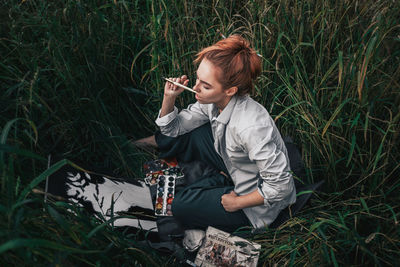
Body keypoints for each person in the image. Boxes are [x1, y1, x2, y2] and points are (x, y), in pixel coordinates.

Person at [151, 34, 296, 232]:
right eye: (197, 79)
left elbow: (281, 187)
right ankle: (218, 179)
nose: (195, 88)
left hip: (255, 205)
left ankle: (218, 183)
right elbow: (173, 129)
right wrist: (169, 98)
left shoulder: (250, 127)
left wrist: (237, 203)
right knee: (190, 134)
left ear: (230, 90)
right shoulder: (213, 103)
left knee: (178, 206)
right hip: (236, 164)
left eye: (206, 85)